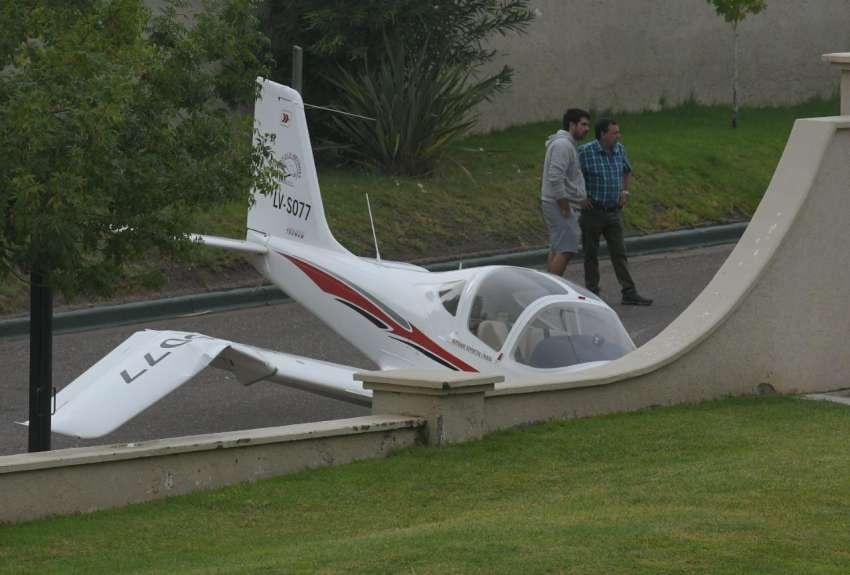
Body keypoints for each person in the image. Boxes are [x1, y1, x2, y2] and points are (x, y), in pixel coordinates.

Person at [578, 119, 653, 306]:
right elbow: (572, 174)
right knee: (591, 254)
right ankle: (592, 293)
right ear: (602, 134)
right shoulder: (586, 152)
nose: (618, 136)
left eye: (618, 132)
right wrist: (579, 195)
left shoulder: (620, 149)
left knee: (619, 252)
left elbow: (626, 170)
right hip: (593, 211)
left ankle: (629, 291)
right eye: (614, 133)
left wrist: (625, 192)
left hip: (613, 211)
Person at [540, 108, 591, 276]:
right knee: (567, 248)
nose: (587, 129)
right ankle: (552, 291)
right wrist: (564, 205)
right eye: (583, 124)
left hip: (559, 202)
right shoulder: (562, 145)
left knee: (558, 246)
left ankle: (548, 288)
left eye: (587, 125)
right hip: (558, 203)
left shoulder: (566, 144)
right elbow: (555, 177)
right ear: (572, 125)